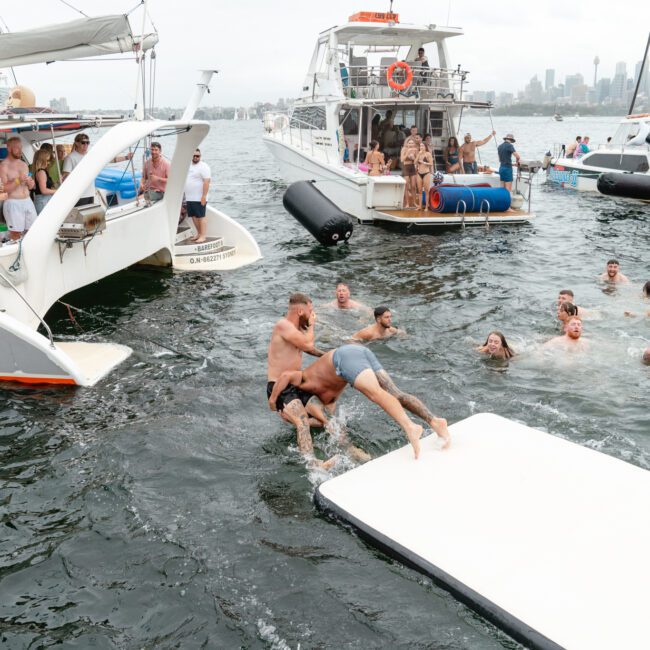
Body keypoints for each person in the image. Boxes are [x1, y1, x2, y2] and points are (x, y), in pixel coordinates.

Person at [269, 344, 451, 459]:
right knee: (395, 393)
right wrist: (300, 420)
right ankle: (435, 422)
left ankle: (410, 427)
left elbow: (284, 375)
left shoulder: (302, 381)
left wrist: (273, 400)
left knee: (376, 394)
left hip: (342, 359)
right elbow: (329, 423)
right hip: (359, 351)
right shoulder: (325, 402)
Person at [267, 293, 333, 467]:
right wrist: (312, 326)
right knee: (303, 423)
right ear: (299, 311)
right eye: (310, 311)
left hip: (297, 383)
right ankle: (312, 463)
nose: (312, 315)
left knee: (324, 419)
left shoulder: (296, 330)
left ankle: (293, 420)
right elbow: (307, 345)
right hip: (280, 386)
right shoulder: (283, 326)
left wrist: (328, 355)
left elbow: (308, 349)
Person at [63, 133, 132, 206]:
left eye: (87, 143)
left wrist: (126, 157)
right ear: (77, 143)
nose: (86, 145)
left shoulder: (90, 155)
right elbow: (65, 176)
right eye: (83, 143)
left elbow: (110, 160)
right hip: (78, 195)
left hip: (90, 193)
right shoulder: (70, 158)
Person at [0, 137, 37, 239]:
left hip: (28, 201)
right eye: (17, 148)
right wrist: (17, 180)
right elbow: (4, 189)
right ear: (9, 148)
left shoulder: (24, 164)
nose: (20, 150)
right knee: (16, 234)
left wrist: (31, 183)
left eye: (21, 147)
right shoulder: (3, 166)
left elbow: (31, 186)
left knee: (33, 231)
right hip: (13, 203)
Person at [184, 148, 211, 243]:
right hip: (189, 196)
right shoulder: (188, 165)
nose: (195, 157)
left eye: (197, 156)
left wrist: (204, 196)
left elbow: (207, 182)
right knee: (193, 216)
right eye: (194, 155)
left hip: (199, 197)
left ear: (200, 156)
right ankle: (199, 233)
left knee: (201, 216)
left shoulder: (204, 167)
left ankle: (203, 236)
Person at [32, 148, 57, 214]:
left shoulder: (39, 171)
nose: (48, 162)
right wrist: (57, 191)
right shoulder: (41, 172)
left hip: (43, 200)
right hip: (43, 201)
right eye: (47, 160)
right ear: (42, 160)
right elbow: (44, 190)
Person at [400, 138, 418, 208]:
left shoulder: (415, 150)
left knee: (413, 186)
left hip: (412, 167)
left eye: (412, 143)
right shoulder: (404, 149)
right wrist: (408, 153)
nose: (410, 144)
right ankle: (407, 203)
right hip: (406, 167)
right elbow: (402, 159)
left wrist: (414, 158)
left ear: (414, 144)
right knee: (406, 186)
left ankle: (414, 202)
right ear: (407, 144)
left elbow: (417, 160)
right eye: (409, 143)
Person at [415, 142, 433, 209]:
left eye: (422, 146)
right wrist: (418, 155)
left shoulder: (428, 154)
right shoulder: (419, 154)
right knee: (419, 190)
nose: (421, 147)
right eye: (420, 146)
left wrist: (424, 162)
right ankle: (419, 206)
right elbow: (415, 162)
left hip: (426, 173)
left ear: (425, 147)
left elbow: (431, 163)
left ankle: (426, 207)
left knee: (426, 190)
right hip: (419, 173)